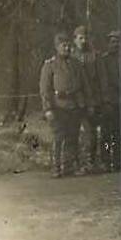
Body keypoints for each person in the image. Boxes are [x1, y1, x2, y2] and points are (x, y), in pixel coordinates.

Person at [40, 33, 88, 177]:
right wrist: (48, 108)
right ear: (57, 47)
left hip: (74, 106)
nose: (66, 48)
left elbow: (84, 85)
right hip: (58, 106)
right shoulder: (50, 65)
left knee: (73, 137)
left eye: (68, 45)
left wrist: (84, 104)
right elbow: (45, 89)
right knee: (58, 137)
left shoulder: (76, 64)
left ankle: (69, 166)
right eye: (63, 45)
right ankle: (56, 167)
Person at [72, 25, 100, 172]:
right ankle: (75, 162)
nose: (83, 41)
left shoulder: (93, 56)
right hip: (73, 101)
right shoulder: (70, 56)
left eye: (85, 38)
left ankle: (90, 161)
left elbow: (100, 78)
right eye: (80, 38)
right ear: (75, 39)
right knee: (74, 133)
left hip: (90, 99)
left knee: (91, 132)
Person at [97, 31, 121, 171]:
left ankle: (118, 162)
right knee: (106, 135)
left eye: (118, 42)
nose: (115, 45)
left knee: (118, 134)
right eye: (112, 42)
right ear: (108, 44)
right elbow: (102, 82)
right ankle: (106, 162)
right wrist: (105, 101)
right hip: (107, 102)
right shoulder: (103, 60)